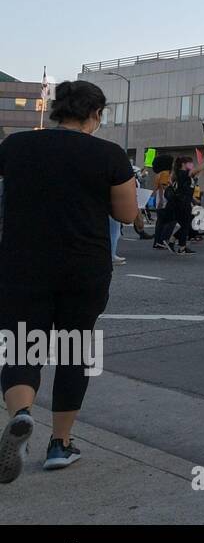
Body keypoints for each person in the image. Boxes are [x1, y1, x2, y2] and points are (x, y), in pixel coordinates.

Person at [0, 80, 137, 480]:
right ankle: (60, 444)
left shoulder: (17, 146)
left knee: (22, 343)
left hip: (21, 263)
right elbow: (126, 215)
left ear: (57, 109)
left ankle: (20, 416)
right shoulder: (108, 154)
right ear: (95, 114)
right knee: (75, 347)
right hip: (84, 267)